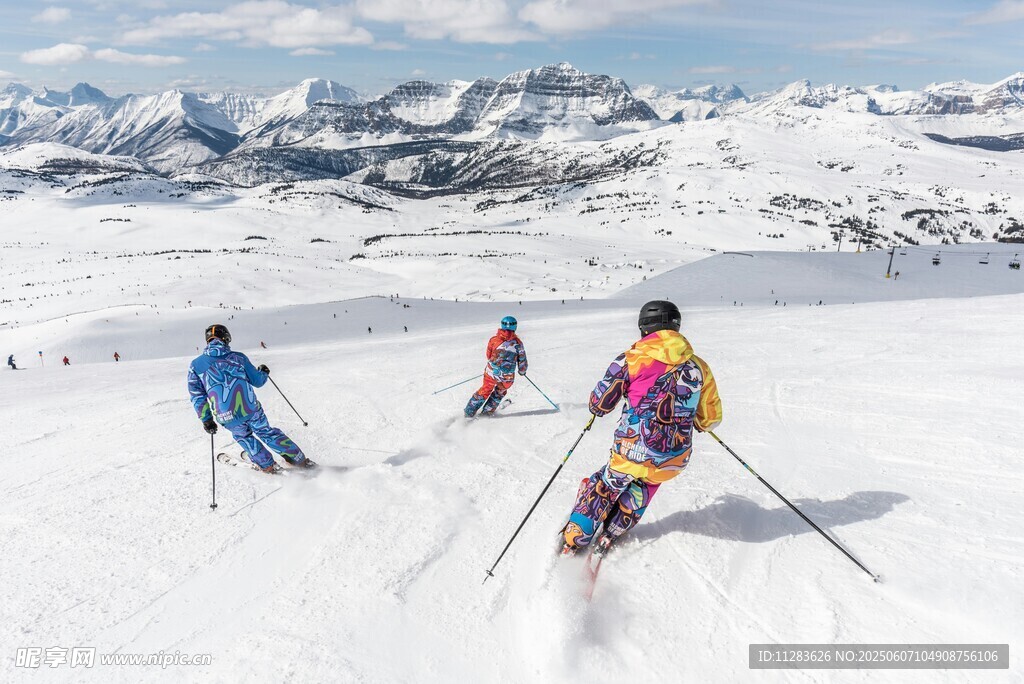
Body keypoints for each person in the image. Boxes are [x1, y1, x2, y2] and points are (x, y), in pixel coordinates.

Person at [561, 301, 722, 556]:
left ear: (644, 328)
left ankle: (576, 536)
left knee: (606, 484)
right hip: (673, 457)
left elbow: (600, 403)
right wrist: (699, 421)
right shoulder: (699, 366)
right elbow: (709, 417)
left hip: (631, 450)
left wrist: (596, 410)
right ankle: (612, 531)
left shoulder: (631, 359)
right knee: (645, 485)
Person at [187, 324, 315, 473]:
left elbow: (197, 395)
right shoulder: (238, 358)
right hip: (250, 408)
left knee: (244, 437)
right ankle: (299, 460)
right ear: (226, 338)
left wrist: (206, 419)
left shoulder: (195, 365)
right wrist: (263, 372)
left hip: (225, 415)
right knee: (266, 432)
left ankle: (267, 465)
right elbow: (257, 381)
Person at [464, 316, 528, 418]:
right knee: (500, 391)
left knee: (485, 389)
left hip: (491, 372)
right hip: (507, 377)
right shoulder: (518, 344)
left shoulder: (494, 340)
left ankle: (469, 411)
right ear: (515, 327)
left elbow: (488, 355)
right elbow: (522, 361)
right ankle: (487, 412)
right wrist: (522, 371)